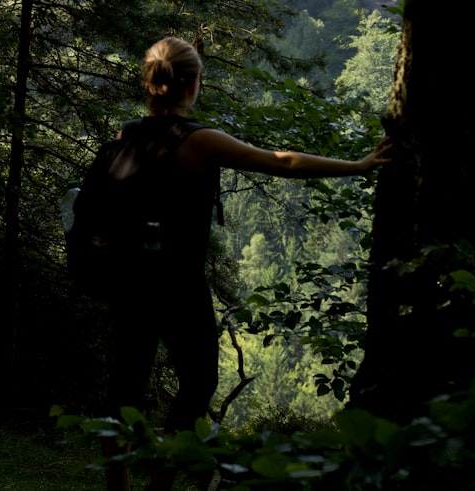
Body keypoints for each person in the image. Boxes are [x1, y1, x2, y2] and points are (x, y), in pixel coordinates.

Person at [101, 35, 390, 486]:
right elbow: (284, 162)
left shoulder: (127, 135)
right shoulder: (198, 141)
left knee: (125, 387)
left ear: (149, 82)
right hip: (179, 285)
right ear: (194, 83)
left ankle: (118, 486)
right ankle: (163, 481)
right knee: (197, 385)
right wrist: (358, 165)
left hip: (130, 281)